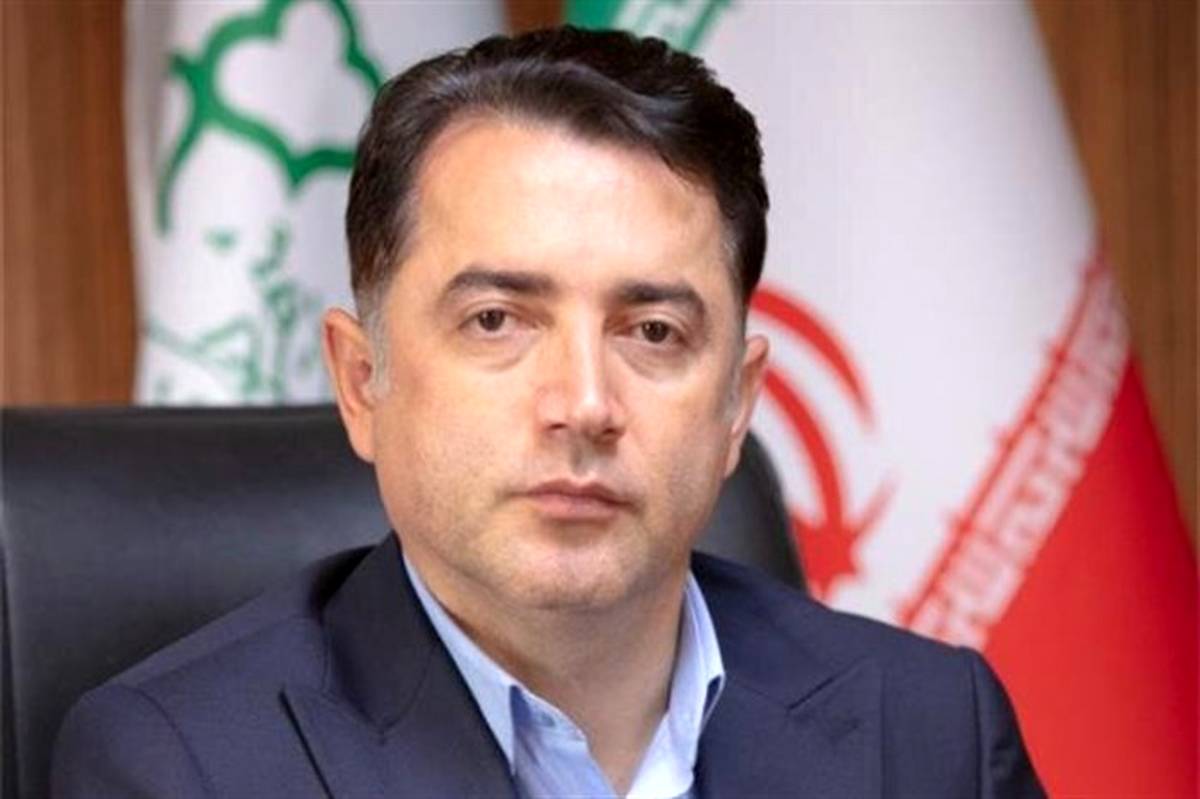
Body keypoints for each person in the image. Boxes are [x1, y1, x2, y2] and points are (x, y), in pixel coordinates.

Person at [52, 26, 1043, 798]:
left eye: (652, 331)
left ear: (737, 404)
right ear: (362, 382)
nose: (584, 404)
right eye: (497, 320)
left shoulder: (929, 733)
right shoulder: (183, 767)